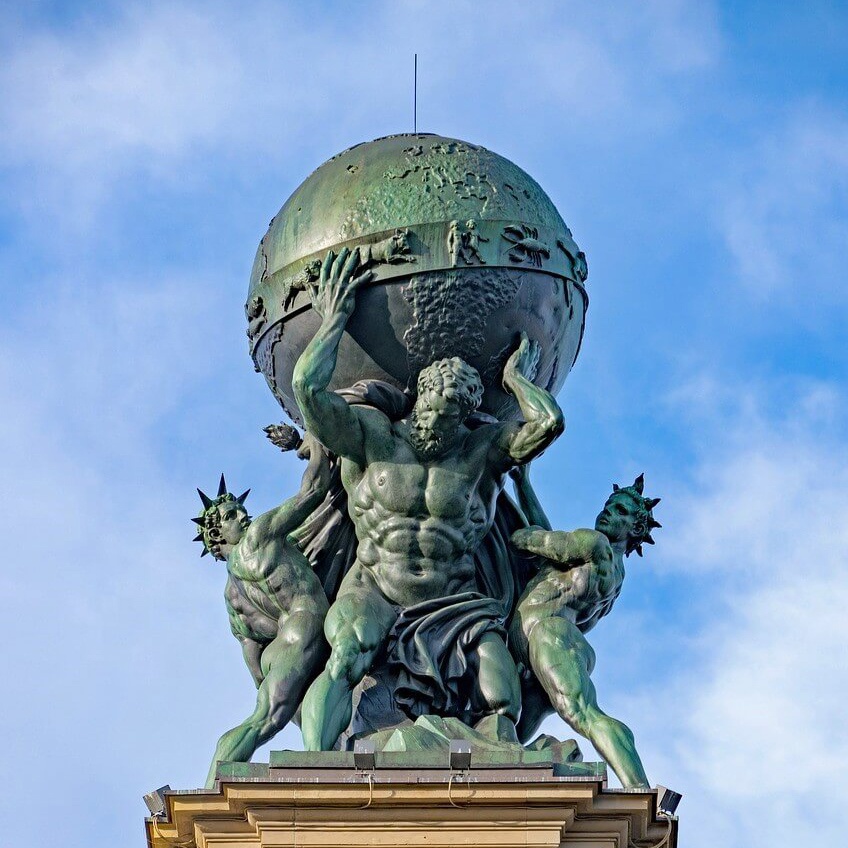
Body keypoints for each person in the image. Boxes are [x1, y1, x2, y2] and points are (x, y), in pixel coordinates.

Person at [292, 246, 564, 750]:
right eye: (436, 409)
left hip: (456, 601)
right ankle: (314, 768)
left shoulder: (480, 452)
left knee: (502, 694)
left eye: (456, 415)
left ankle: (496, 773)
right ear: (421, 395)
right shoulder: (373, 438)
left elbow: (548, 424)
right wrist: (335, 319)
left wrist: (515, 380)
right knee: (346, 657)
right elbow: (307, 391)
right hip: (376, 586)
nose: (442, 423)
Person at [509, 465, 660, 789]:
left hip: (545, 635)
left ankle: (639, 787)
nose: (608, 513)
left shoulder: (592, 543)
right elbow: (552, 551)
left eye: (620, 511)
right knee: (509, 742)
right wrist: (523, 483)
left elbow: (527, 540)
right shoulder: (615, 575)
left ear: (635, 527)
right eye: (608, 506)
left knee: (583, 713)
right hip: (560, 646)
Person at [193, 435, 331, 787]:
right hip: (305, 626)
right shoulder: (259, 537)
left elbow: (254, 664)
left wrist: (273, 679)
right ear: (216, 534)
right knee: (264, 721)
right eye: (230, 515)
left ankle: (326, 766)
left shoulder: (231, 596)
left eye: (238, 510)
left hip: (278, 652)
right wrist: (315, 443)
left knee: (293, 714)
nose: (242, 514)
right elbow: (313, 492)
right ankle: (211, 788)